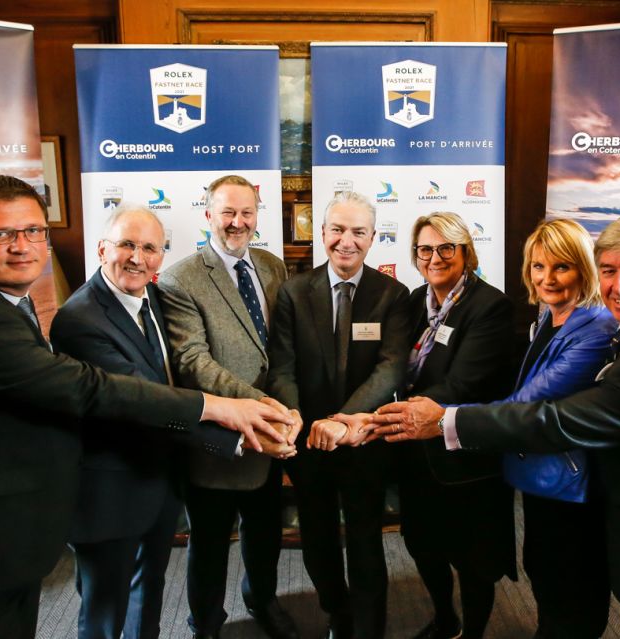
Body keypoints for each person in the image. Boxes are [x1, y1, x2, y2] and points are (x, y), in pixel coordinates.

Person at [0, 175, 294, 639]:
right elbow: (102, 392)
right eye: (0, 234)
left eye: (33, 231)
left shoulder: (143, 296)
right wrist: (225, 418)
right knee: (105, 612)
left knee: (144, 602)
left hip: (95, 503)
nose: (22, 245)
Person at [371, 213, 620, 639]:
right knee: (555, 595)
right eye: (611, 271)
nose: (619, 285)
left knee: (570, 610)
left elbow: (552, 417)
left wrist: (444, 421)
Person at [50, 205, 292, 639]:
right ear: (102, 248)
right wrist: (237, 436)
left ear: (161, 255)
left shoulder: (154, 298)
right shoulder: (79, 319)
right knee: (105, 614)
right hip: (109, 491)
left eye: (150, 248)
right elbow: (144, 399)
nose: (137, 258)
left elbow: (172, 373)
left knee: (147, 601)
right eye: (126, 245)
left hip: (158, 483)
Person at [159, 175, 299, 639]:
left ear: (257, 216)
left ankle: (262, 600)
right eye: (227, 213)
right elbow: (193, 361)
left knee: (265, 536)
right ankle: (206, 622)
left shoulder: (272, 267)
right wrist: (266, 407)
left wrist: (285, 410)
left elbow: (281, 348)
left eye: (246, 213)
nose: (237, 223)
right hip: (219, 439)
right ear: (208, 216)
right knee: (211, 543)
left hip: (270, 439)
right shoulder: (181, 278)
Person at [266, 191, 410, 639]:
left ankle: (369, 628)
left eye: (358, 232)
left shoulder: (392, 294)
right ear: (322, 233)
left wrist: (344, 421)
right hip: (310, 442)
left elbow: (390, 369)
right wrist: (296, 418)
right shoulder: (293, 292)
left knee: (366, 542)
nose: (346, 241)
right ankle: (337, 612)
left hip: (364, 440)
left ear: (372, 238)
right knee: (319, 541)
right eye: (337, 230)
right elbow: (283, 366)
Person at [394, 212, 516, 639]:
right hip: (415, 456)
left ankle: (477, 631)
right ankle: (445, 619)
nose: (435, 258)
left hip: (466, 460)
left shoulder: (491, 306)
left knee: (473, 559)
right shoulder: (414, 301)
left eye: (447, 248)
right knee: (422, 546)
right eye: (425, 249)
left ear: (466, 252)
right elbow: (394, 367)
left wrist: (389, 414)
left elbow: (463, 382)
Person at [500, 218, 615, 638]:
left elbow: (527, 403)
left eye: (561, 267)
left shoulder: (596, 328)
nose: (547, 279)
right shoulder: (550, 318)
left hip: (574, 486)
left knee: (573, 588)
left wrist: (444, 419)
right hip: (544, 477)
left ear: (584, 269)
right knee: (544, 571)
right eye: (537, 266)